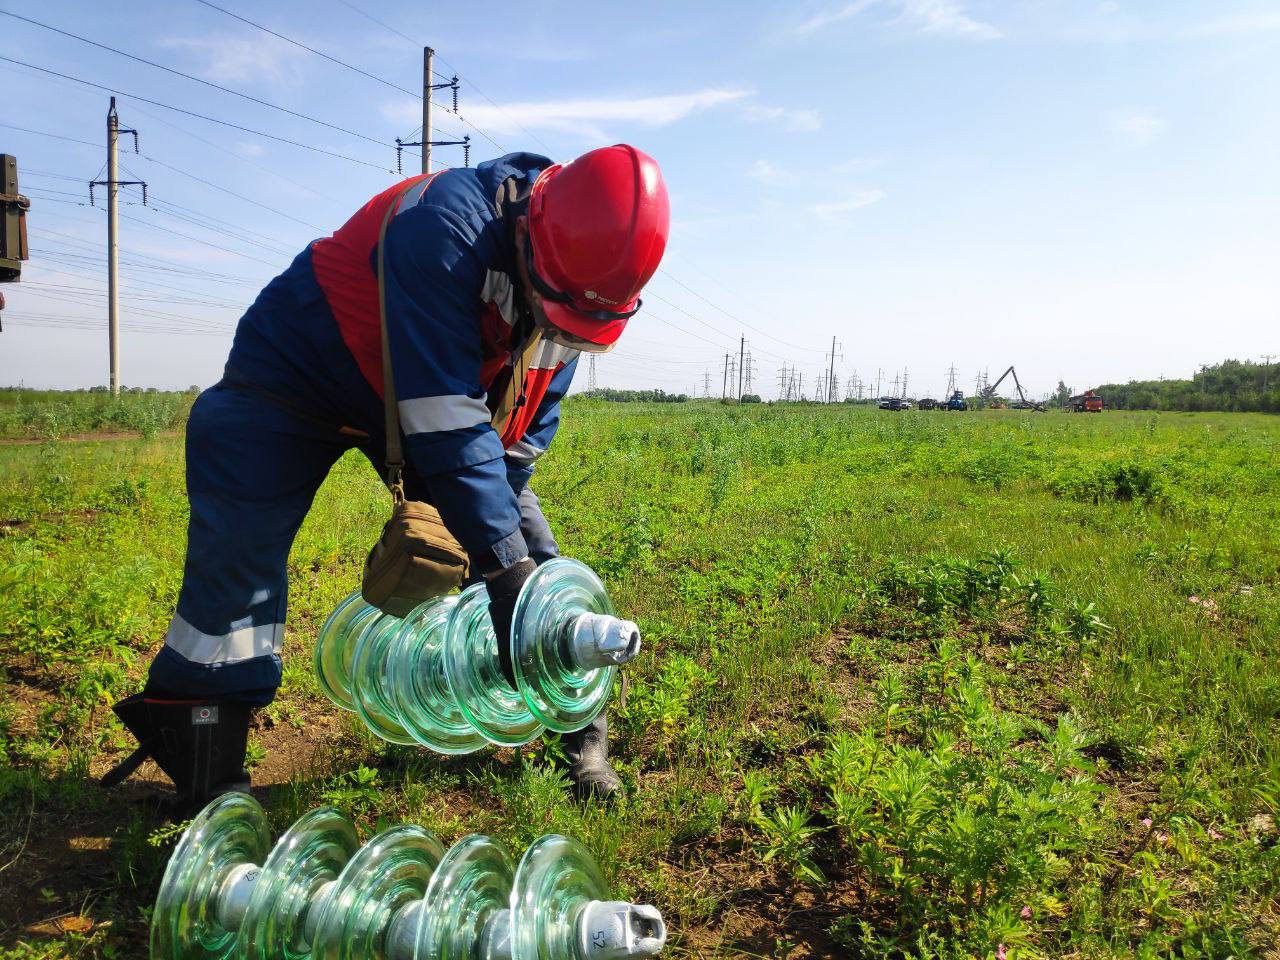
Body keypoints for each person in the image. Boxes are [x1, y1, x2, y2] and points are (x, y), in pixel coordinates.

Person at [101, 145, 670, 810]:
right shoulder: (443, 225)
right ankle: (204, 752)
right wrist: (501, 573)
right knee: (238, 565)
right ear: (529, 233)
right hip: (297, 377)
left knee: (532, 557)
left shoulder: (575, 295)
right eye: (555, 311)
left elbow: (510, 445)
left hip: (431, 402)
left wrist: (516, 570)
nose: (558, 331)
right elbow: (445, 421)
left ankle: (581, 734)